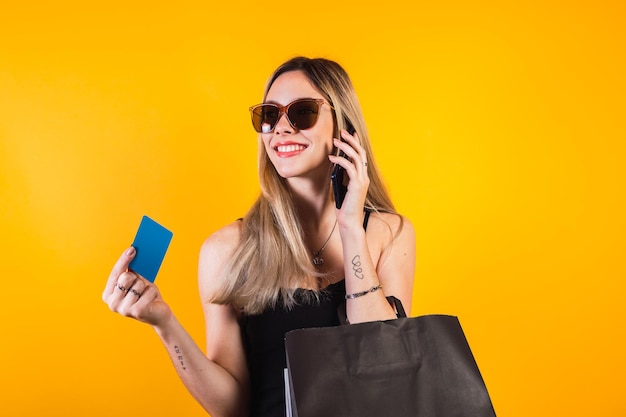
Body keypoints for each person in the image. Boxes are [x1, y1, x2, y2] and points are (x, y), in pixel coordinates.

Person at [103, 56, 416, 417]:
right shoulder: (228, 250)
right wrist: (164, 323)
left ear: (343, 125)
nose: (280, 129)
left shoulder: (388, 234)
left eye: (301, 113)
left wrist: (350, 229)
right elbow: (231, 407)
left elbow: (385, 365)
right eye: (269, 115)